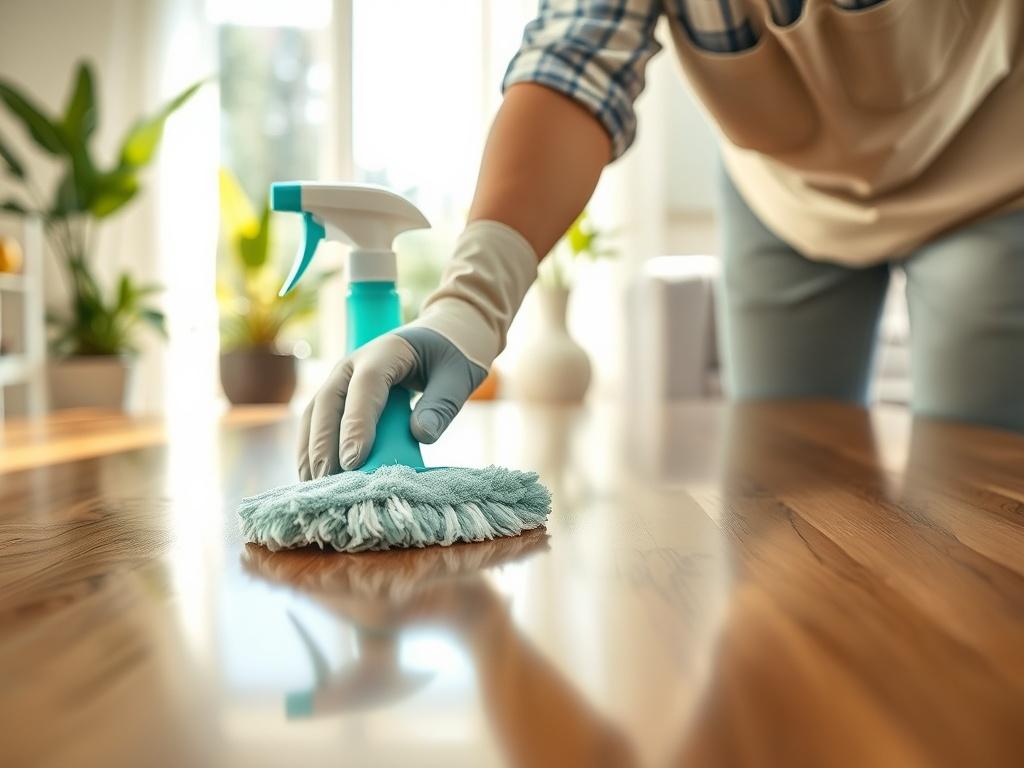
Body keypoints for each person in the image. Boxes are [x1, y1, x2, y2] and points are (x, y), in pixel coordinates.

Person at [297, 0, 1024, 479]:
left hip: (993, 171)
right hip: (785, 186)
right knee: (782, 487)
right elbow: (572, 68)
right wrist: (467, 306)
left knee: (979, 486)